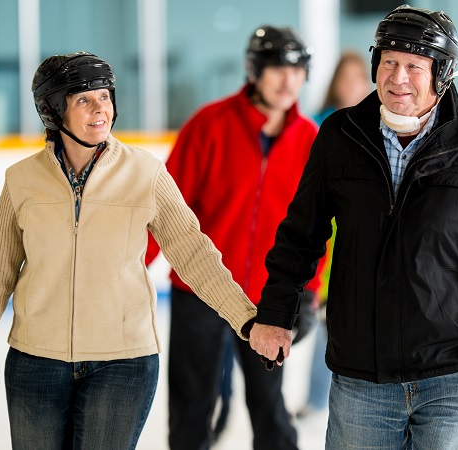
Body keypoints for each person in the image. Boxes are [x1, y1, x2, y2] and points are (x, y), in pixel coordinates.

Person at [250, 6, 458, 449]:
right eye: (388, 62)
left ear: (442, 73)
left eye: (414, 66)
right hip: (361, 378)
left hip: (455, 375)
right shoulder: (340, 135)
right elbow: (301, 234)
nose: (398, 77)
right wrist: (276, 314)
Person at [0, 52, 276, 449]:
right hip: (36, 362)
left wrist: (245, 320)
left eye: (104, 96)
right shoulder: (22, 181)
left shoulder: (146, 173)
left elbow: (193, 253)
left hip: (123, 363)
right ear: (53, 111)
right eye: (83, 100)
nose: (99, 108)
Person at [144, 26, 321, 449]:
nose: (288, 81)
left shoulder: (310, 139)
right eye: (277, 69)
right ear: (255, 71)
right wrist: (130, 269)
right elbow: (165, 209)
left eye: (297, 71)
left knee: (269, 407)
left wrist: (309, 291)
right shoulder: (209, 125)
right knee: (192, 407)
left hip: (269, 297)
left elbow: (317, 228)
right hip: (199, 292)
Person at [298, 50, 372, 419]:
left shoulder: (379, 124)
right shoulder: (318, 125)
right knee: (326, 321)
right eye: (345, 78)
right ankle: (315, 399)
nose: (352, 85)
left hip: (360, 239)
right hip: (325, 238)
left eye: (358, 77)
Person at [313, 50, 372, 125]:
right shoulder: (313, 124)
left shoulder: (376, 124)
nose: (351, 83)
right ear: (335, 82)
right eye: (345, 76)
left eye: (356, 77)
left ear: (366, 84)